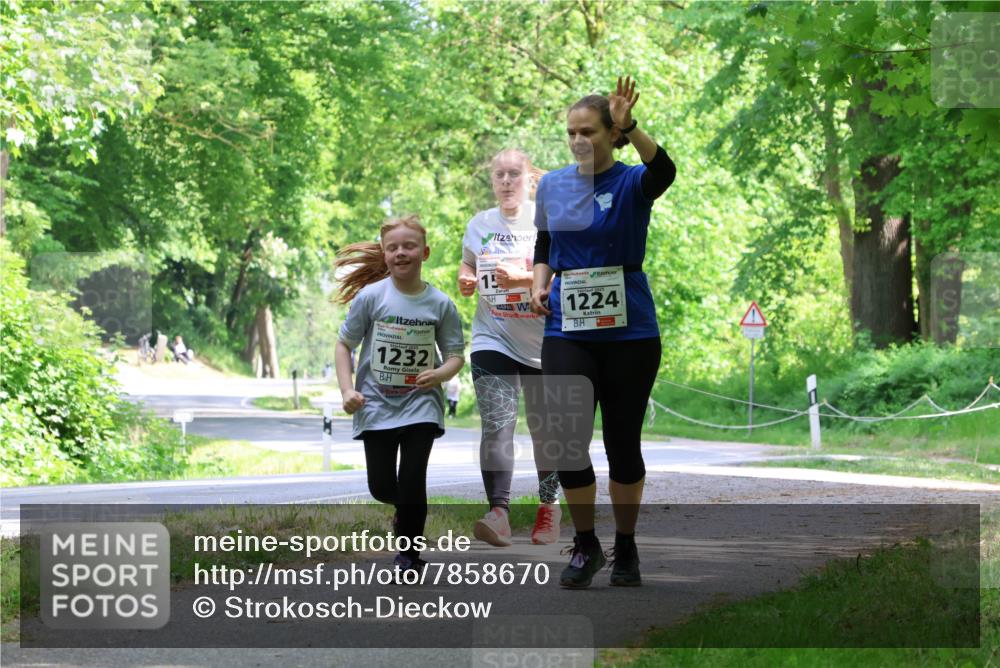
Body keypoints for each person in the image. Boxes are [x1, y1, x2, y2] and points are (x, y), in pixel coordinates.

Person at [530, 77, 676, 588]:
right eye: (570, 132)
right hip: (567, 327)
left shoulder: (632, 182)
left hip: (631, 331)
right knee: (567, 442)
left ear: (611, 134)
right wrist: (538, 283)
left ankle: (628, 548)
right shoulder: (551, 186)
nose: (577, 141)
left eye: (588, 131)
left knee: (622, 444)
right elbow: (545, 242)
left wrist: (632, 124)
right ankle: (587, 545)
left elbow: (665, 170)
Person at [334, 215, 465, 575]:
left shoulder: (440, 303)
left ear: (424, 252)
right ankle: (406, 510)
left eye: (408, 246)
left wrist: (440, 374)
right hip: (375, 402)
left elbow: (456, 355)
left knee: (412, 479)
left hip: (421, 403)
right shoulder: (371, 297)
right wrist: (347, 390)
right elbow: (344, 345)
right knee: (381, 486)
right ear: (384, 254)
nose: (401, 253)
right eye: (393, 247)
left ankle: (409, 555)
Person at [458, 148, 562, 547]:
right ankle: (498, 513)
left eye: (513, 174)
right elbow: (469, 263)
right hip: (493, 336)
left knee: (544, 430)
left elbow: (566, 279)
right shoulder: (479, 223)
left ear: (529, 179)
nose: (505, 181)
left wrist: (522, 281)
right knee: (498, 422)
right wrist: (466, 278)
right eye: (499, 174)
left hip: (546, 340)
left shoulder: (548, 222)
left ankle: (547, 509)